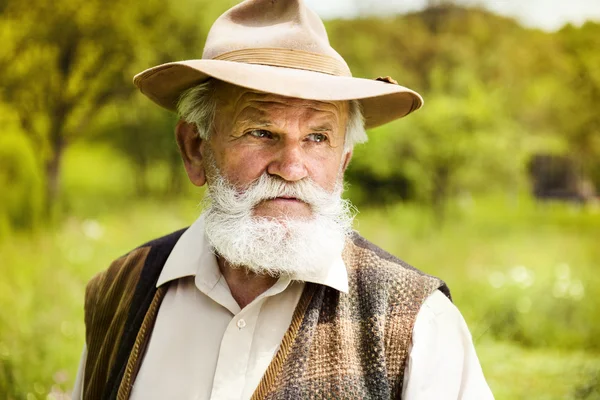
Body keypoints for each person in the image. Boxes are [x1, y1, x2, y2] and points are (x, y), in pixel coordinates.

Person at [73, 0, 494, 398]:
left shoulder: (418, 322)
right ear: (195, 148)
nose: (291, 167)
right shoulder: (120, 291)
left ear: (343, 162)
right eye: (260, 132)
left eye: (317, 138)